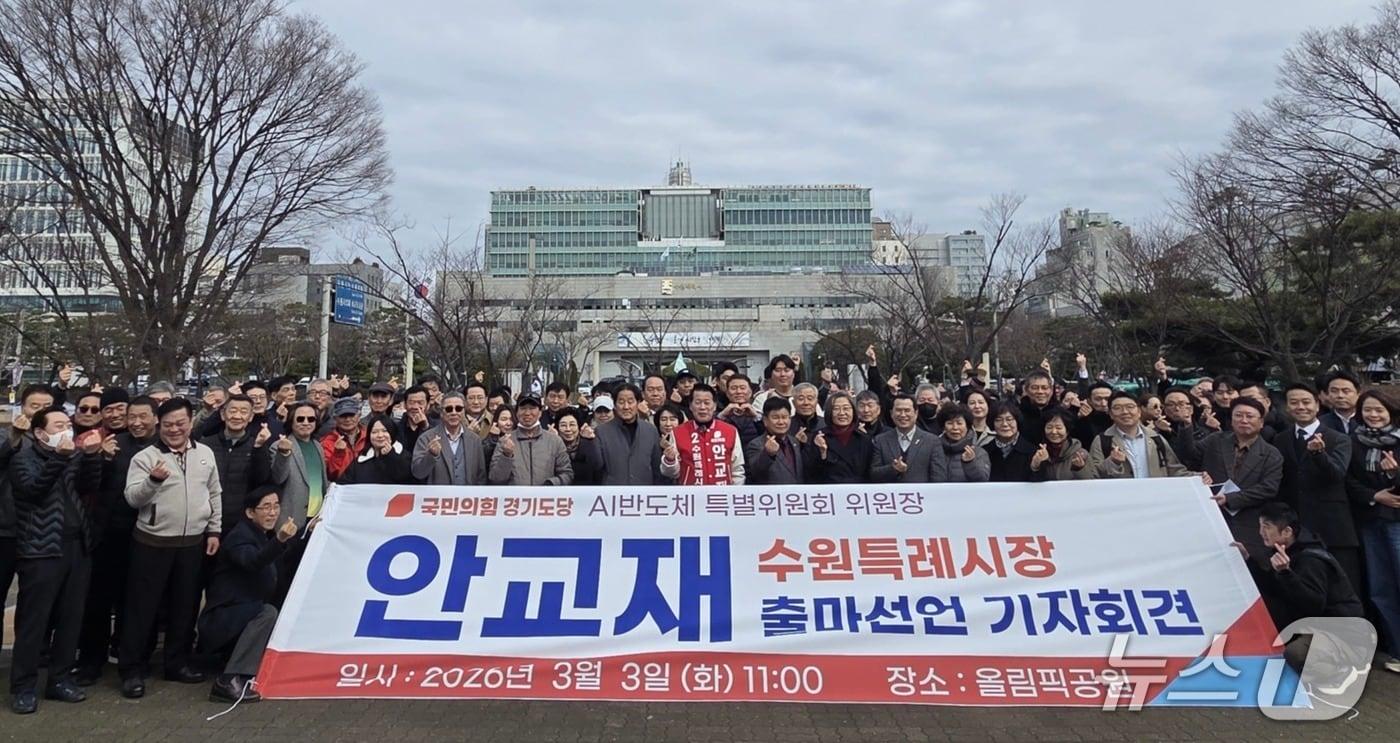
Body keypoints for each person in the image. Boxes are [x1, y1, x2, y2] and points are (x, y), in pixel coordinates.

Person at [120, 398, 223, 699]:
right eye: (168, 425)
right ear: (158, 425)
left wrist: (214, 529)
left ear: (191, 423)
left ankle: (176, 663)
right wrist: (153, 481)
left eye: (181, 423)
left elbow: (214, 492)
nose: (175, 429)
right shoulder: (145, 457)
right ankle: (132, 670)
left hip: (192, 543)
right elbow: (132, 498)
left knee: (185, 606)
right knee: (142, 609)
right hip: (152, 543)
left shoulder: (204, 453)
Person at [8, 409, 103, 714]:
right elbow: (34, 490)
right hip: (41, 549)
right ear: (39, 433)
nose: (66, 429)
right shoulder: (24, 458)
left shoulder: (72, 455)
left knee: (71, 618)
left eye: (67, 425)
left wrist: (90, 457)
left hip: (77, 546)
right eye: (58, 425)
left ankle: (59, 679)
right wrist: (60, 458)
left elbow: (89, 487)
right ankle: (23, 687)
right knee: (35, 622)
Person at [1234, 503, 1367, 689]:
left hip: (1342, 632)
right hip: (1315, 626)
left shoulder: (1310, 559)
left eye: (1267, 526)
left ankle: (1341, 673)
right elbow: (1274, 589)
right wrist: (1248, 560)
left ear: (1287, 531)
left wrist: (1286, 574)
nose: (1261, 532)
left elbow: (1312, 605)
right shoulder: (1287, 552)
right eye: (1260, 526)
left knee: (1295, 653)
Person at [75, 394, 157, 685]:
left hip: (146, 535)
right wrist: (102, 459)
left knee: (135, 601)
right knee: (97, 601)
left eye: (121, 409)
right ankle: (89, 662)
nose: (117, 415)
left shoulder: (161, 445)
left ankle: (132, 660)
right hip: (107, 533)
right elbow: (88, 485)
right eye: (107, 409)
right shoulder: (110, 445)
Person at [197, 487, 298, 704]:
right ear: (250, 512)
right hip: (223, 619)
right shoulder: (239, 537)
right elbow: (253, 562)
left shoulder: (263, 535)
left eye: (276, 506)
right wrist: (279, 540)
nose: (272, 513)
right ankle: (228, 680)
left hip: (244, 613)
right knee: (268, 613)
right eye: (266, 507)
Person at [1273, 383, 1359, 598]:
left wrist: (1319, 454)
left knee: (1344, 588)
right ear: (1287, 407)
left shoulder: (1339, 438)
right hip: (1298, 528)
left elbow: (1336, 475)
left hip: (1333, 527)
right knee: (1306, 590)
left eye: (1306, 402)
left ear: (1317, 405)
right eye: (1294, 402)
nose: (1300, 407)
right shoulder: (1280, 439)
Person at [1346, 390, 1400, 673]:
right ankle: (1397, 649)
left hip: (1397, 521)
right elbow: (1350, 481)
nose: (1373, 415)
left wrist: (1394, 476)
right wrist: (1374, 495)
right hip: (1370, 520)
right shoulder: (1355, 442)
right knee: (1381, 588)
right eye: (1367, 409)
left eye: (1379, 409)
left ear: (1390, 411)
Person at [1203, 397, 1285, 560]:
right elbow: (1189, 455)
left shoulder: (1271, 454)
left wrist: (1230, 498)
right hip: (1211, 519)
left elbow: (1269, 488)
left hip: (1249, 523)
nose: (1244, 420)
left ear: (1261, 422)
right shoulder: (1215, 441)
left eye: (1250, 416)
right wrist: (1186, 425)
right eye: (1238, 415)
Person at [267, 401, 327, 606]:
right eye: (300, 419)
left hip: (315, 523)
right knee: (285, 581)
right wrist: (284, 454)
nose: (305, 423)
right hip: (290, 523)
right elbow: (278, 478)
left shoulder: (318, 446)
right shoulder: (280, 445)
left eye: (311, 419)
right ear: (291, 421)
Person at [201, 394, 273, 539]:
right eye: (232, 411)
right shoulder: (206, 444)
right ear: (223, 414)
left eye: (244, 412)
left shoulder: (257, 444)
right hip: (204, 521)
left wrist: (258, 448)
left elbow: (262, 479)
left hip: (240, 524)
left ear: (251, 417)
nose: (237, 416)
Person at [1088, 392, 1190, 479]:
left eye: (1130, 407)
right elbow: (1094, 476)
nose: (1125, 412)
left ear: (1139, 412)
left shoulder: (1155, 438)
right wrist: (1112, 463)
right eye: (1117, 408)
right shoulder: (1102, 440)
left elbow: (1174, 469)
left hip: (1154, 496)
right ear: (1110, 414)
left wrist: (1198, 477)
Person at [660, 384, 745, 485]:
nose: (702, 407)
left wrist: (735, 493)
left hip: (722, 495)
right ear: (690, 406)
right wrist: (670, 460)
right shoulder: (678, 432)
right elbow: (672, 474)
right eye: (698, 403)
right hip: (691, 496)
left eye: (707, 403)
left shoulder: (730, 431)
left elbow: (737, 470)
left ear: (714, 406)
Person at [490, 394, 573, 486]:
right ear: (516, 412)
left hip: (545, 498)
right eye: (523, 408)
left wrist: (551, 484)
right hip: (516, 499)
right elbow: (495, 479)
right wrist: (506, 455)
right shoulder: (504, 441)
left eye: (532, 408)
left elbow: (567, 474)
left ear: (540, 412)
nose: (527, 413)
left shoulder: (555, 441)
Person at [411, 392, 488, 485]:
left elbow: (481, 476)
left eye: (458, 409)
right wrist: (431, 455)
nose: (454, 412)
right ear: (441, 413)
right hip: (438, 497)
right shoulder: (427, 438)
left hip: (466, 497)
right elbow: (417, 473)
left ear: (464, 412)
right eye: (449, 409)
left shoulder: (474, 440)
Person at [594, 384, 662, 486]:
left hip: (643, 495)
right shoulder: (601, 432)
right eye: (621, 402)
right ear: (615, 405)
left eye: (630, 402)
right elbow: (596, 468)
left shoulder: (650, 430)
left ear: (638, 403)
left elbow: (657, 468)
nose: (626, 407)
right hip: (612, 495)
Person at [871, 395, 945, 483]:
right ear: (891, 413)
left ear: (916, 413)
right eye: (898, 410)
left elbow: (939, 477)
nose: (903, 415)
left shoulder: (932, 441)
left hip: (922, 495)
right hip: (890, 495)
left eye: (907, 410)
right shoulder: (880, 440)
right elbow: (873, 474)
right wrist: (893, 469)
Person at [745, 397, 811, 485]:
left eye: (784, 417)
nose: (781, 422)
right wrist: (768, 454)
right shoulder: (756, 444)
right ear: (765, 420)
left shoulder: (795, 441)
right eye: (775, 417)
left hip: (798, 495)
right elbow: (755, 473)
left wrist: (805, 445)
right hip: (773, 496)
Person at [812, 391, 871, 483]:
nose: (842, 413)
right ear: (829, 412)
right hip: (830, 491)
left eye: (846, 408)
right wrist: (823, 454)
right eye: (836, 409)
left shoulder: (864, 438)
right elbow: (811, 473)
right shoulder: (819, 437)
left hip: (858, 492)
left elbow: (870, 473)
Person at [341, 415, 413, 485]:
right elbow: (343, 484)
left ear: (392, 433)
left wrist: (391, 455)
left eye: (384, 431)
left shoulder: (404, 456)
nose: (380, 435)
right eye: (374, 432)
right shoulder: (361, 460)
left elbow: (407, 478)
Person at [1029, 410, 1093, 481]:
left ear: (1067, 431)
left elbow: (1092, 483)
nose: (1053, 432)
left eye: (1058, 428)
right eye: (1049, 427)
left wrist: (1080, 469)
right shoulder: (1038, 453)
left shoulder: (1080, 453)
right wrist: (1036, 466)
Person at [936, 403, 991, 483]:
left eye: (959, 423)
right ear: (944, 427)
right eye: (950, 423)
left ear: (967, 426)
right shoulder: (934, 450)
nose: (955, 428)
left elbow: (982, 480)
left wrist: (970, 463)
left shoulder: (979, 453)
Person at [984, 402, 1036, 483]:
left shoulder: (1032, 451)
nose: (1004, 424)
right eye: (998, 420)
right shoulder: (985, 451)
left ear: (1017, 421)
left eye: (1009, 419)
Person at [320, 398, 368, 482]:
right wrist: (338, 453)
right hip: (342, 488)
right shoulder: (327, 442)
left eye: (351, 415)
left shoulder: (370, 437)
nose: (348, 419)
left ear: (359, 416)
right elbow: (330, 475)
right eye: (343, 416)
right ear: (335, 418)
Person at [553, 407, 602, 486]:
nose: (568, 429)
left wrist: (593, 440)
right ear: (557, 428)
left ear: (579, 427)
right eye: (563, 425)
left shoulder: (589, 443)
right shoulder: (553, 446)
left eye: (572, 425)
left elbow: (597, 466)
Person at [718, 376, 763, 446]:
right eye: (733, 388)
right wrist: (722, 415)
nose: (738, 392)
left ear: (750, 392)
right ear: (727, 393)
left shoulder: (758, 416)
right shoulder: (719, 414)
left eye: (742, 388)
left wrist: (756, 417)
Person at [1018, 369, 1059, 445]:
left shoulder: (1060, 413)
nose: (1040, 392)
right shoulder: (1017, 414)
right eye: (1035, 388)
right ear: (1026, 390)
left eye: (1044, 388)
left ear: (1051, 391)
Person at [1320, 370, 1362, 435]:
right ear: (1327, 394)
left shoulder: (1368, 420)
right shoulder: (1320, 424)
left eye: (1346, 391)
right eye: (1334, 391)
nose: (1340, 395)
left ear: (1358, 393)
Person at [397, 385, 435, 456]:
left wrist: (425, 427)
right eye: (411, 403)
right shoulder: (395, 427)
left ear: (428, 405)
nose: (415, 407)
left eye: (420, 403)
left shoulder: (438, 426)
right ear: (405, 405)